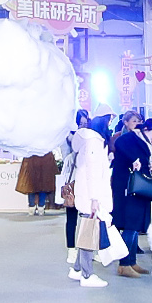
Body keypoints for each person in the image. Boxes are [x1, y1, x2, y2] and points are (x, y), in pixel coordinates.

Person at [63, 112, 111, 287]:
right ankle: (87, 274)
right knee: (88, 234)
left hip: (87, 193)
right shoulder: (94, 142)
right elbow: (93, 172)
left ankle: (77, 270)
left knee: (87, 232)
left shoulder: (87, 141)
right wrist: (95, 198)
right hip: (91, 196)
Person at [109, 110, 152, 276]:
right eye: (134, 120)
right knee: (130, 224)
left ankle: (131, 261)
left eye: (139, 120)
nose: (137, 123)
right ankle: (124, 263)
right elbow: (128, 155)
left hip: (138, 187)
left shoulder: (143, 141)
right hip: (128, 188)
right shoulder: (126, 139)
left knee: (135, 225)